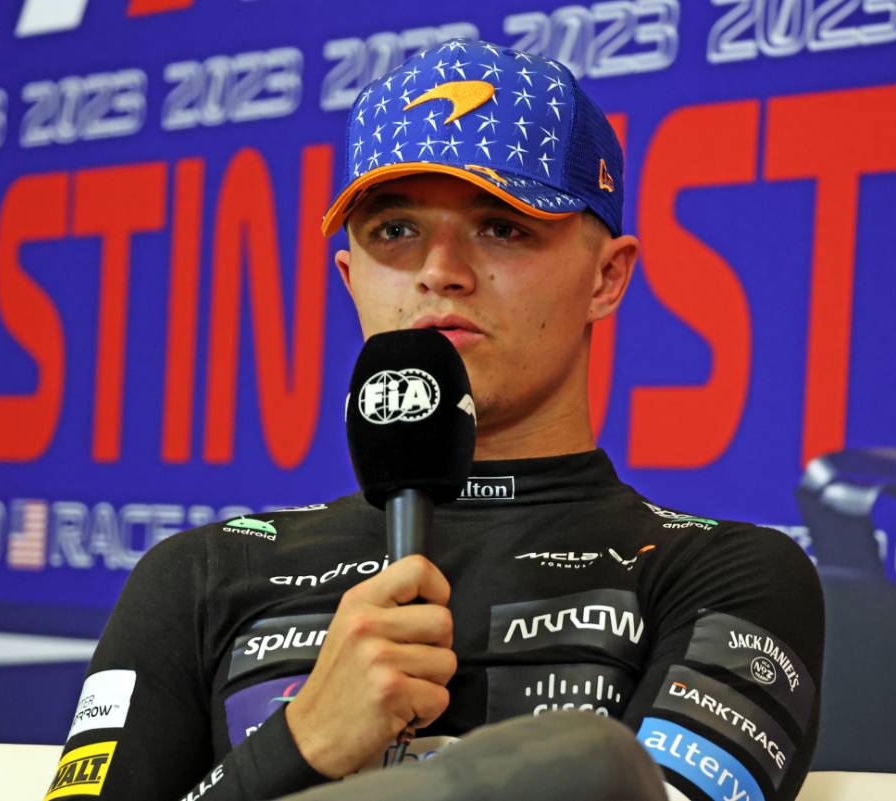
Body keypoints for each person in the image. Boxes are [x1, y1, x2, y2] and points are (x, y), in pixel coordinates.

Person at [44, 39, 823, 801]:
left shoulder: (726, 574)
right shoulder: (202, 575)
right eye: (395, 231)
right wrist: (300, 743)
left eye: (502, 227)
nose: (439, 270)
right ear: (349, 277)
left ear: (607, 277)